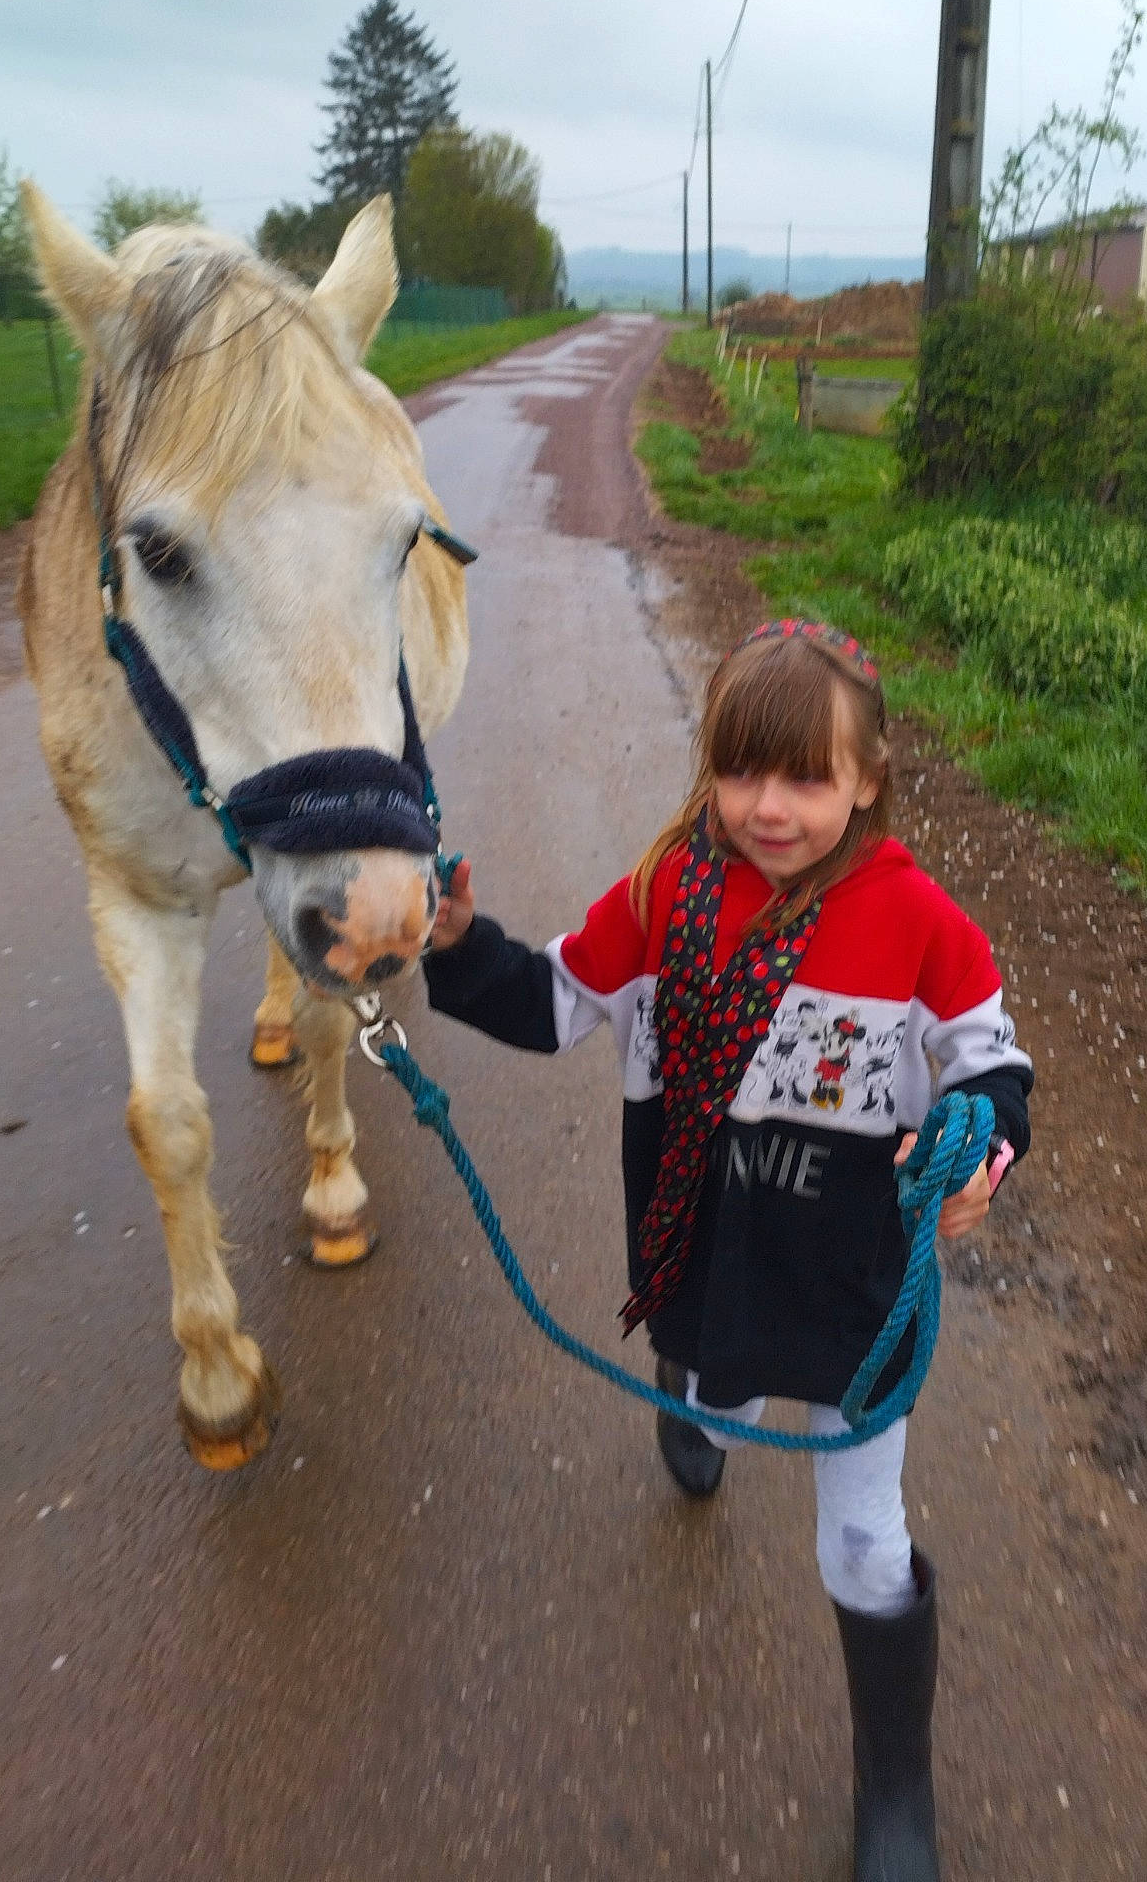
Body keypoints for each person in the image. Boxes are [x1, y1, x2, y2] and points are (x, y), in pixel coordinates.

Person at [423, 618, 1033, 1882]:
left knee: (863, 1536)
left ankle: (896, 1793)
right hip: (702, 1249)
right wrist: (455, 945)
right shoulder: (659, 898)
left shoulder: (921, 923)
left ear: (867, 778)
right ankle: (702, 1406)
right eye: (740, 772)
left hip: (858, 1282)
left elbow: (990, 1060)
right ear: (709, 768)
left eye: (807, 777)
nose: (769, 807)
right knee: (716, 1372)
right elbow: (551, 1003)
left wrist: (983, 1147)